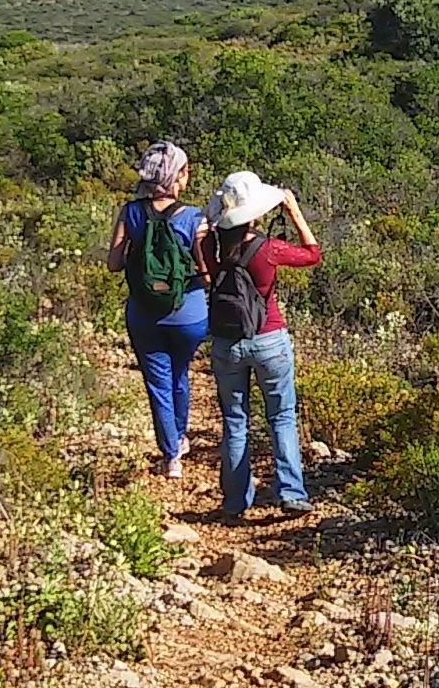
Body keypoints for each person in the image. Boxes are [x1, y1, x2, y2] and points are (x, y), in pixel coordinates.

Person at [201, 169, 321, 521]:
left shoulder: (211, 246)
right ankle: (291, 493)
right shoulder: (268, 250)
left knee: (235, 421)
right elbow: (312, 254)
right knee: (281, 416)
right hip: (269, 338)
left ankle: (235, 501)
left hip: (226, 341)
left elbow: (206, 266)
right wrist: (294, 213)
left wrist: (213, 221)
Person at [106, 141, 209, 480]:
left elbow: (114, 264)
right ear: (175, 177)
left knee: (158, 384)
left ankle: (171, 455)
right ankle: (180, 437)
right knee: (180, 374)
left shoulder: (130, 212)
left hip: (144, 314)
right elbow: (206, 274)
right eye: (185, 170)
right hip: (189, 315)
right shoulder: (195, 217)